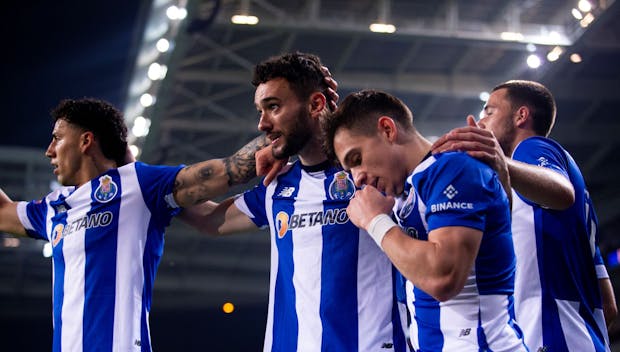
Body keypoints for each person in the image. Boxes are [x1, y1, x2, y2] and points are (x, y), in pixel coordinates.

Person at [0, 97, 271, 351]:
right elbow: (3, 211)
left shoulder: (139, 183)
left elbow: (228, 170)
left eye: (57, 139)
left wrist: (284, 132)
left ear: (85, 141)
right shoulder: (54, 207)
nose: (49, 151)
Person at [180, 52, 407, 351]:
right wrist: (152, 194)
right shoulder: (276, 187)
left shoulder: (374, 173)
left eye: (273, 107)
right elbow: (210, 219)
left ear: (316, 104)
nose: (262, 124)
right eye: (260, 110)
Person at [321, 89, 528, 351]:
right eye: (349, 169)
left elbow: (444, 278)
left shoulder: (453, 168)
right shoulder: (407, 192)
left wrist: (376, 221)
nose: (357, 177)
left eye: (357, 159)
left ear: (387, 129)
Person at [431, 79, 617, 351]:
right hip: (582, 339)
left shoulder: (532, 148)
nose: (482, 121)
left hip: (550, 336)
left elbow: (562, 191)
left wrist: (498, 159)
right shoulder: (568, 221)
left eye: (490, 111)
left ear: (521, 116)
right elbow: (609, 306)